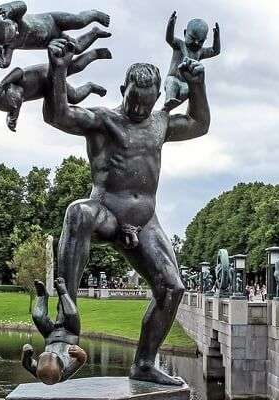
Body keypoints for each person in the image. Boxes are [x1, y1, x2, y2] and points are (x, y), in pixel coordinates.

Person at [43, 37, 210, 385]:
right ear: (124, 89)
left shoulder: (160, 123)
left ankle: (144, 363)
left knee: (172, 288)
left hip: (145, 221)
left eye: (146, 105)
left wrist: (197, 85)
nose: (138, 111)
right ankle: (65, 327)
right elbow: (59, 115)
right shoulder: (104, 121)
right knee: (78, 213)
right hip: (107, 212)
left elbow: (199, 124)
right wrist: (58, 71)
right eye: (133, 101)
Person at [0, 1, 110, 68]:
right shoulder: (8, 46)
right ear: (2, 43)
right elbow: (7, 61)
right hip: (53, 40)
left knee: (80, 21)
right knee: (76, 48)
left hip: (53, 20)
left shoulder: (15, 17)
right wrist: (3, 62)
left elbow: (22, 5)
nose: (16, 32)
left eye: (12, 28)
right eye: (11, 36)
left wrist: (10, 6)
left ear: (6, 19)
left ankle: (94, 14)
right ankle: (95, 33)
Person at [22, 279, 88, 384]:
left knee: (37, 316)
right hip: (70, 333)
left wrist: (26, 354)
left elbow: (27, 365)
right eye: (52, 355)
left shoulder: (41, 372)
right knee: (71, 314)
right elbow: (82, 360)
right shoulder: (63, 373)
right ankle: (63, 292)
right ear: (61, 370)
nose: (51, 352)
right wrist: (80, 353)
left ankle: (42, 296)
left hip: (50, 336)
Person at [163, 11, 220, 110]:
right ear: (185, 33)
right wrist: (171, 24)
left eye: (201, 41)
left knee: (188, 90)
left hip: (185, 83)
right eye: (192, 38)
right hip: (173, 78)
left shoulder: (200, 52)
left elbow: (215, 51)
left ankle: (170, 107)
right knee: (171, 83)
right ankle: (169, 100)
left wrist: (216, 37)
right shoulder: (179, 45)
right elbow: (169, 38)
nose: (196, 42)